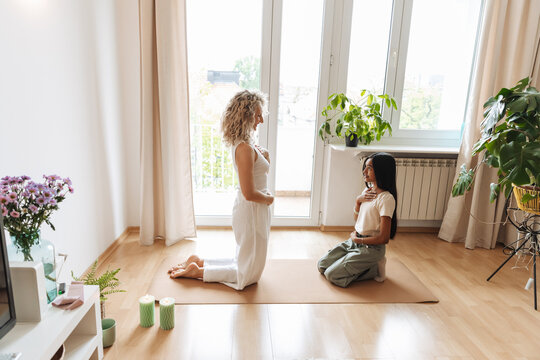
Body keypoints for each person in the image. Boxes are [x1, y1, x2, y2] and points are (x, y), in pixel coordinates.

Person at [168, 90, 274, 290]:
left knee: (244, 260)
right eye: (258, 115)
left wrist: (265, 155)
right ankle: (199, 272)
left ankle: (200, 262)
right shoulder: (244, 148)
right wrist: (269, 199)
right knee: (249, 273)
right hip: (252, 209)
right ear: (247, 115)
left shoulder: (247, 144)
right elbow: (249, 192)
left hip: (254, 210)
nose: (261, 119)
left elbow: (258, 173)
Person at [317, 152, 397, 287]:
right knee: (322, 265)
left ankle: (374, 268)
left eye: (370, 168)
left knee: (332, 275)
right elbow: (357, 219)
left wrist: (358, 240)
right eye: (365, 167)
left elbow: (384, 238)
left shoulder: (386, 199)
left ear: (382, 170)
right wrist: (358, 202)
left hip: (372, 248)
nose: (364, 171)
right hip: (354, 243)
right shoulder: (367, 191)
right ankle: (357, 262)